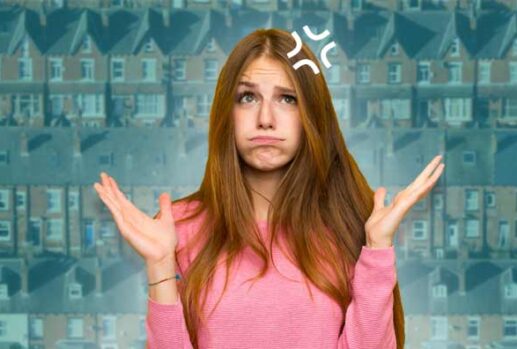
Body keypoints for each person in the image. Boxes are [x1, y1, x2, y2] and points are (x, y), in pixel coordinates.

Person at [93, 28, 445, 349]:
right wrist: (159, 266)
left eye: (287, 98)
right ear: (225, 113)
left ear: (312, 114)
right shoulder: (178, 228)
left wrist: (378, 249)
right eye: (247, 97)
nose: (265, 118)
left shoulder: (348, 228)